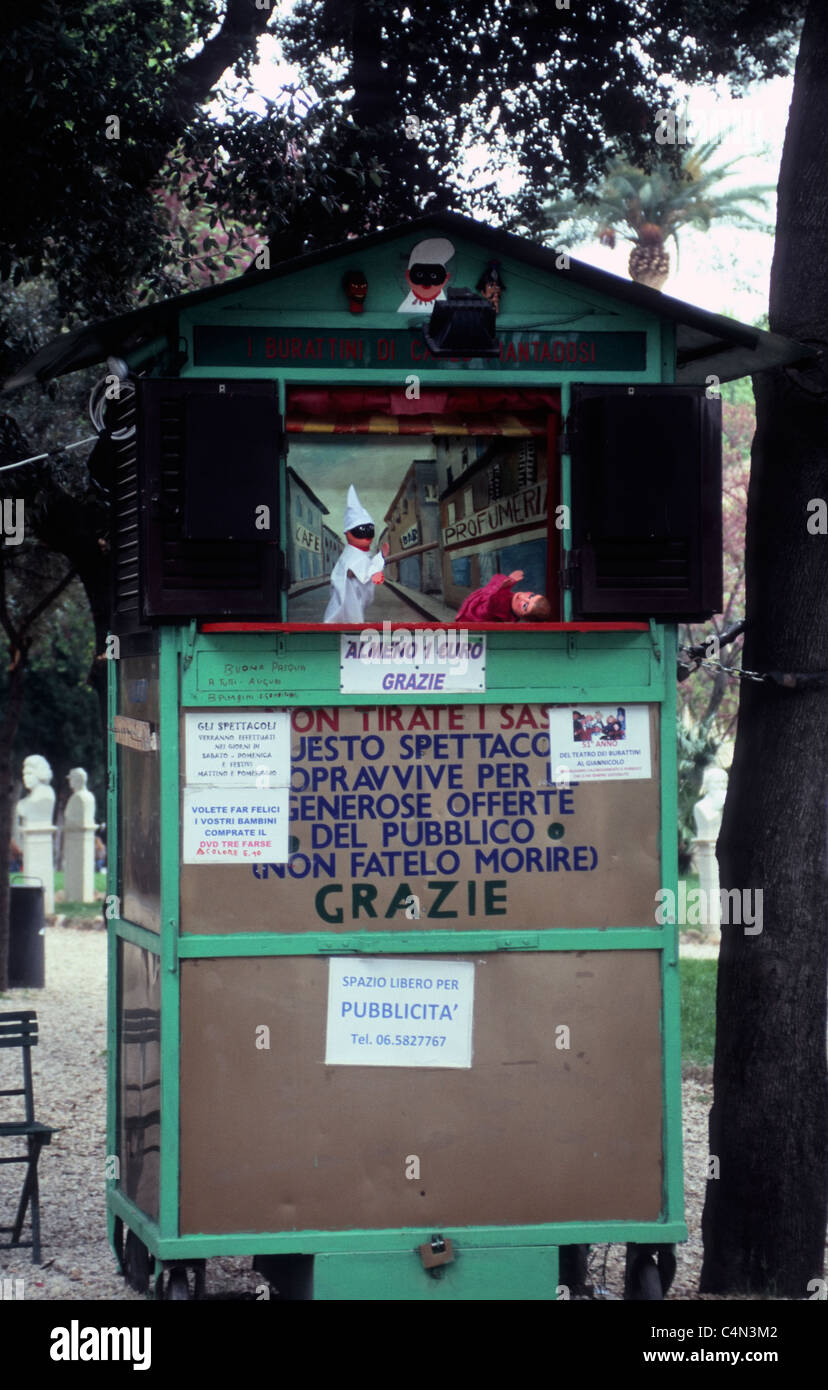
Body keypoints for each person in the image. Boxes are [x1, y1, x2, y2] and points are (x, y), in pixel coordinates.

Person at [323, 486, 389, 623]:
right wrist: (379, 559)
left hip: (356, 610)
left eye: (370, 530)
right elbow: (360, 571)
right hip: (342, 616)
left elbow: (370, 574)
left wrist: (378, 563)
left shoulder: (364, 554)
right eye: (360, 530)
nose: (366, 534)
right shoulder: (350, 554)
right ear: (348, 534)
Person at [455, 569, 551, 622]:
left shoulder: (502, 607)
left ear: (523, 616)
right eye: (531, 596)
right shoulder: (509, 600)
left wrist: (502, 588)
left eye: (525, 606)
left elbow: (489, 605)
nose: (522, 597)